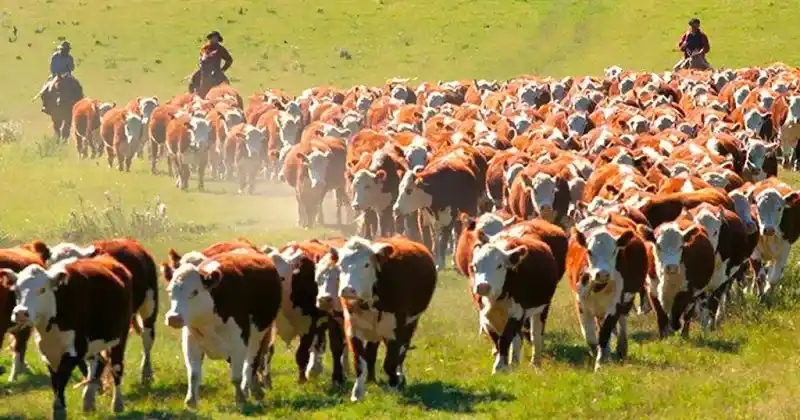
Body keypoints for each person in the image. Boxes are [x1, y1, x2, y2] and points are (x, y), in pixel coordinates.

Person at [38, 40, 75, 112]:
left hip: (67, 76)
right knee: (45, 90)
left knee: (76, 86)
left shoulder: (70, 58)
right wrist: (57, 74)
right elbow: (52, 68)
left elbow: (72, 68)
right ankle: (45, 105)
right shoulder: (55, 56)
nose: (66, 51)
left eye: (67, 50)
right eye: (65, 50)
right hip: (56, 75)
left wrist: (69, 67)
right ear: (61, 49)